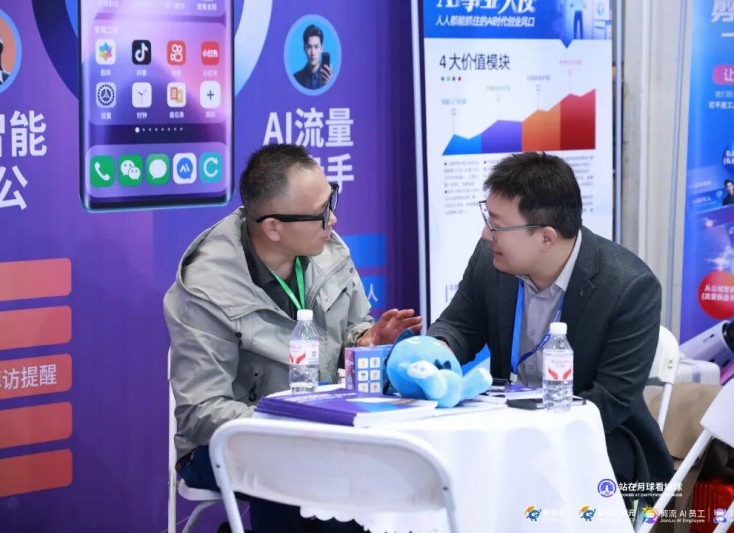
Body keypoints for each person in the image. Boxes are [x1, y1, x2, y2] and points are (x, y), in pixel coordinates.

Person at [164, 143, 421, 532]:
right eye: (321, 212)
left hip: (324, 431)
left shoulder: (327, 248)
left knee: (386, 465)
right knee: (299, 473)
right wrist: (292, 425)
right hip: (226, 444)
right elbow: (202, 413)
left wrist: (364, 342)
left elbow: (348, 331)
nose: (333, 218)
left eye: (331, 200)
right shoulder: (207, 289)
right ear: (273, 227)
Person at [427, 152, 674, 491]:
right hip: (504, 430)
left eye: (497, 225)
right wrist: (433, 354)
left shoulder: (629, 287)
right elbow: (459, 326)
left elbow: (610, 402)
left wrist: (531, 435)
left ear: (546, 237)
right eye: (488, 218)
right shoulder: (491, 260)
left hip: (596, 444)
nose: (486, 234)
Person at [293, 24, 333, 90]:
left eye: (316, 47)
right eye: (309, 47)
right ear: (304, 49)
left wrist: (330, 86)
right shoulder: (296, 78)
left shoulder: (330, 78)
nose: (312, 53)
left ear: (321, 49)